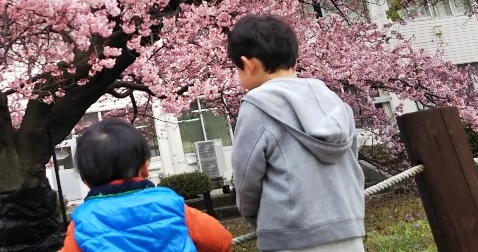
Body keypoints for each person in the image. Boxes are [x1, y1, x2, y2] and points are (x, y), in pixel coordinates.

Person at [227, 14, 365, 252]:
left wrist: (255, 217)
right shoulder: (333, 101)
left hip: (291, 236)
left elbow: (246, 175)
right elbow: (353, 159)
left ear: (248, 64)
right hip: (348, 230)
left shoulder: (257, 105)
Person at [60, 118, 232, 252]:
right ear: (145, 167)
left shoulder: (83, 221)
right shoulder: (169, 204)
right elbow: (221, 240)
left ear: (85, 180)